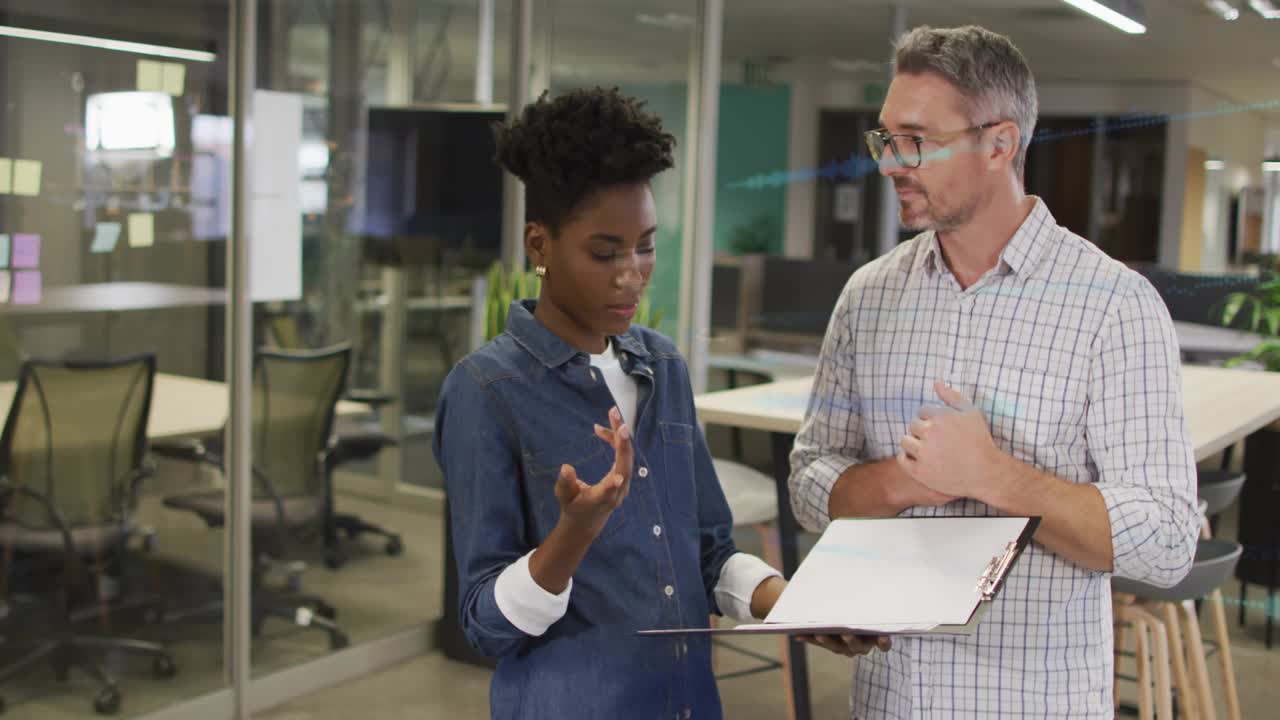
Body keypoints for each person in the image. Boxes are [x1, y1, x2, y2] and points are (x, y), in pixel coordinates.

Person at [434, 87, 886, 720]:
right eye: (604, 252)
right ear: (540, 246)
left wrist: (789, 603)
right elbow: (484, 624)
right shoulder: (487, 391)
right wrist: (575, 532)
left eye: (645, 245)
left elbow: (707, 553)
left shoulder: (663, 366)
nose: (632, 274)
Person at [788, 25, 1199, 719]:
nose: (890, 165)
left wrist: (990, 476)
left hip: (1031, 701)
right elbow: (808, 484)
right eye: (883, 140)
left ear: (999, 144)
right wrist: (900, 481)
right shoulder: (869, 297)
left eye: (916, 141)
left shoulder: (1114, 307)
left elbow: (1165, 541)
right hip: (891, 699)